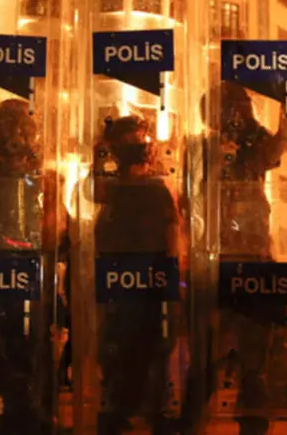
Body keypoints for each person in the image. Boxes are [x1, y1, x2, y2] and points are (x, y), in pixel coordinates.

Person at [0, 98, 63, 434]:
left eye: (19, 125)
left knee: (29, 349)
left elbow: (55, 224)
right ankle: (24, 405)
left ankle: (24, 415)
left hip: (28, 265)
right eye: (5, 125)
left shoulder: (44, 175)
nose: (14, 133)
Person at [91, 115, 180, 434]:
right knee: (117, 342)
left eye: (140, 143)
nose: (137, 151)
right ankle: (119, 406)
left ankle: (149, 408)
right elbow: (95, 192)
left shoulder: (158, 186)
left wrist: (172, 274)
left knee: (153, 341)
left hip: (150, 271)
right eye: (129, 144)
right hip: (117, 270)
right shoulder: (112, 186)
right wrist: (100, 157)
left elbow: (172, 227)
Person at [216, 81, 287, 435]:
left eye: (241, 104)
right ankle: (191, 417)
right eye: (232, 106)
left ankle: (254, 418)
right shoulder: (206, 144)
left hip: (252, 247)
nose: (238, 111)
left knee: (254, 352)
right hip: (220, 251)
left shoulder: (254, 139)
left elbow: (273, 152)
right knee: (211, 350)